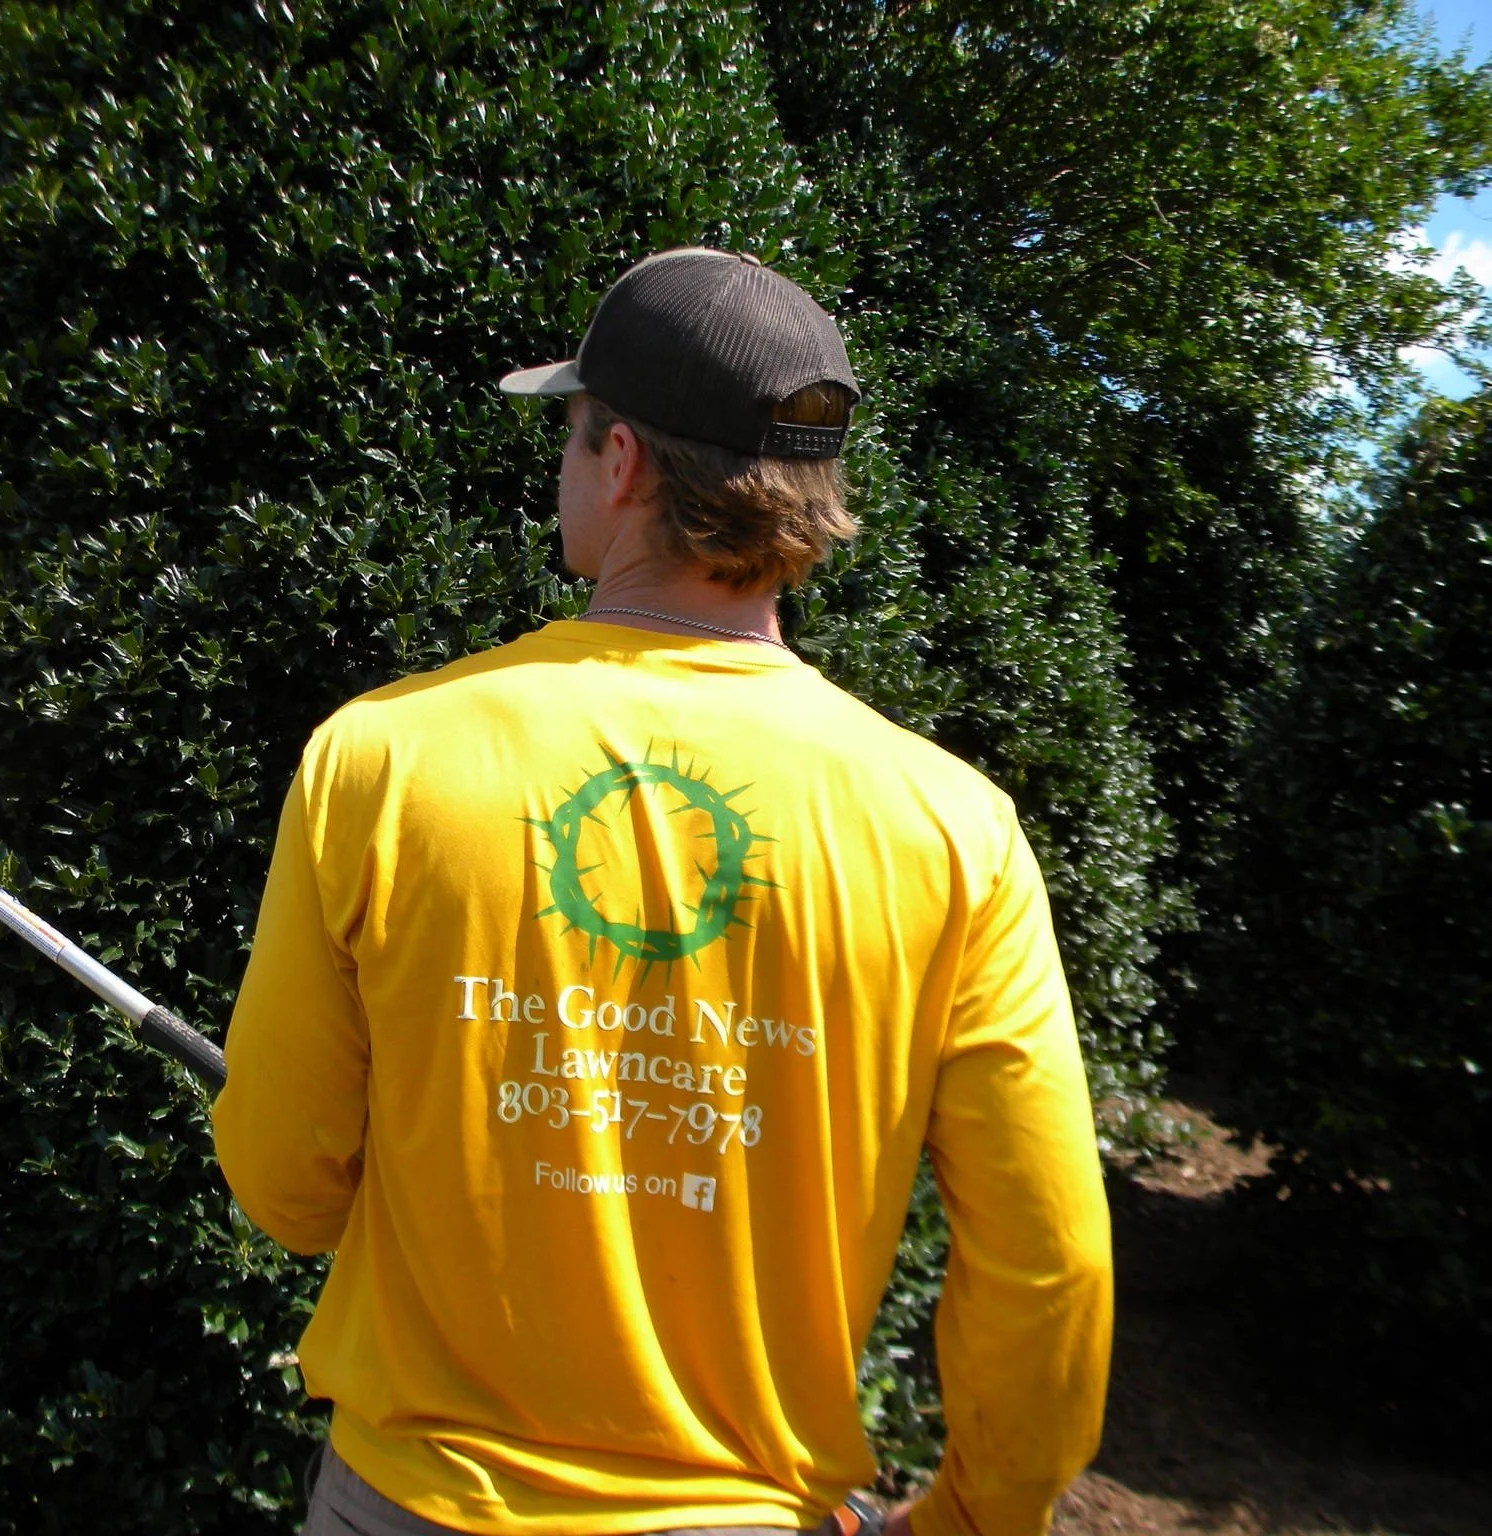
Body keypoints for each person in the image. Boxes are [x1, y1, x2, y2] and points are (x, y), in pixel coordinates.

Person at [211, 248, 1113, 1536]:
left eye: (572, 439)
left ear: (622, 461)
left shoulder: (384, 754)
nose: (566, 470)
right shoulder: (955, 827)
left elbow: (285, 1188)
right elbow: (1048, 1262)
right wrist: (976, 1513)